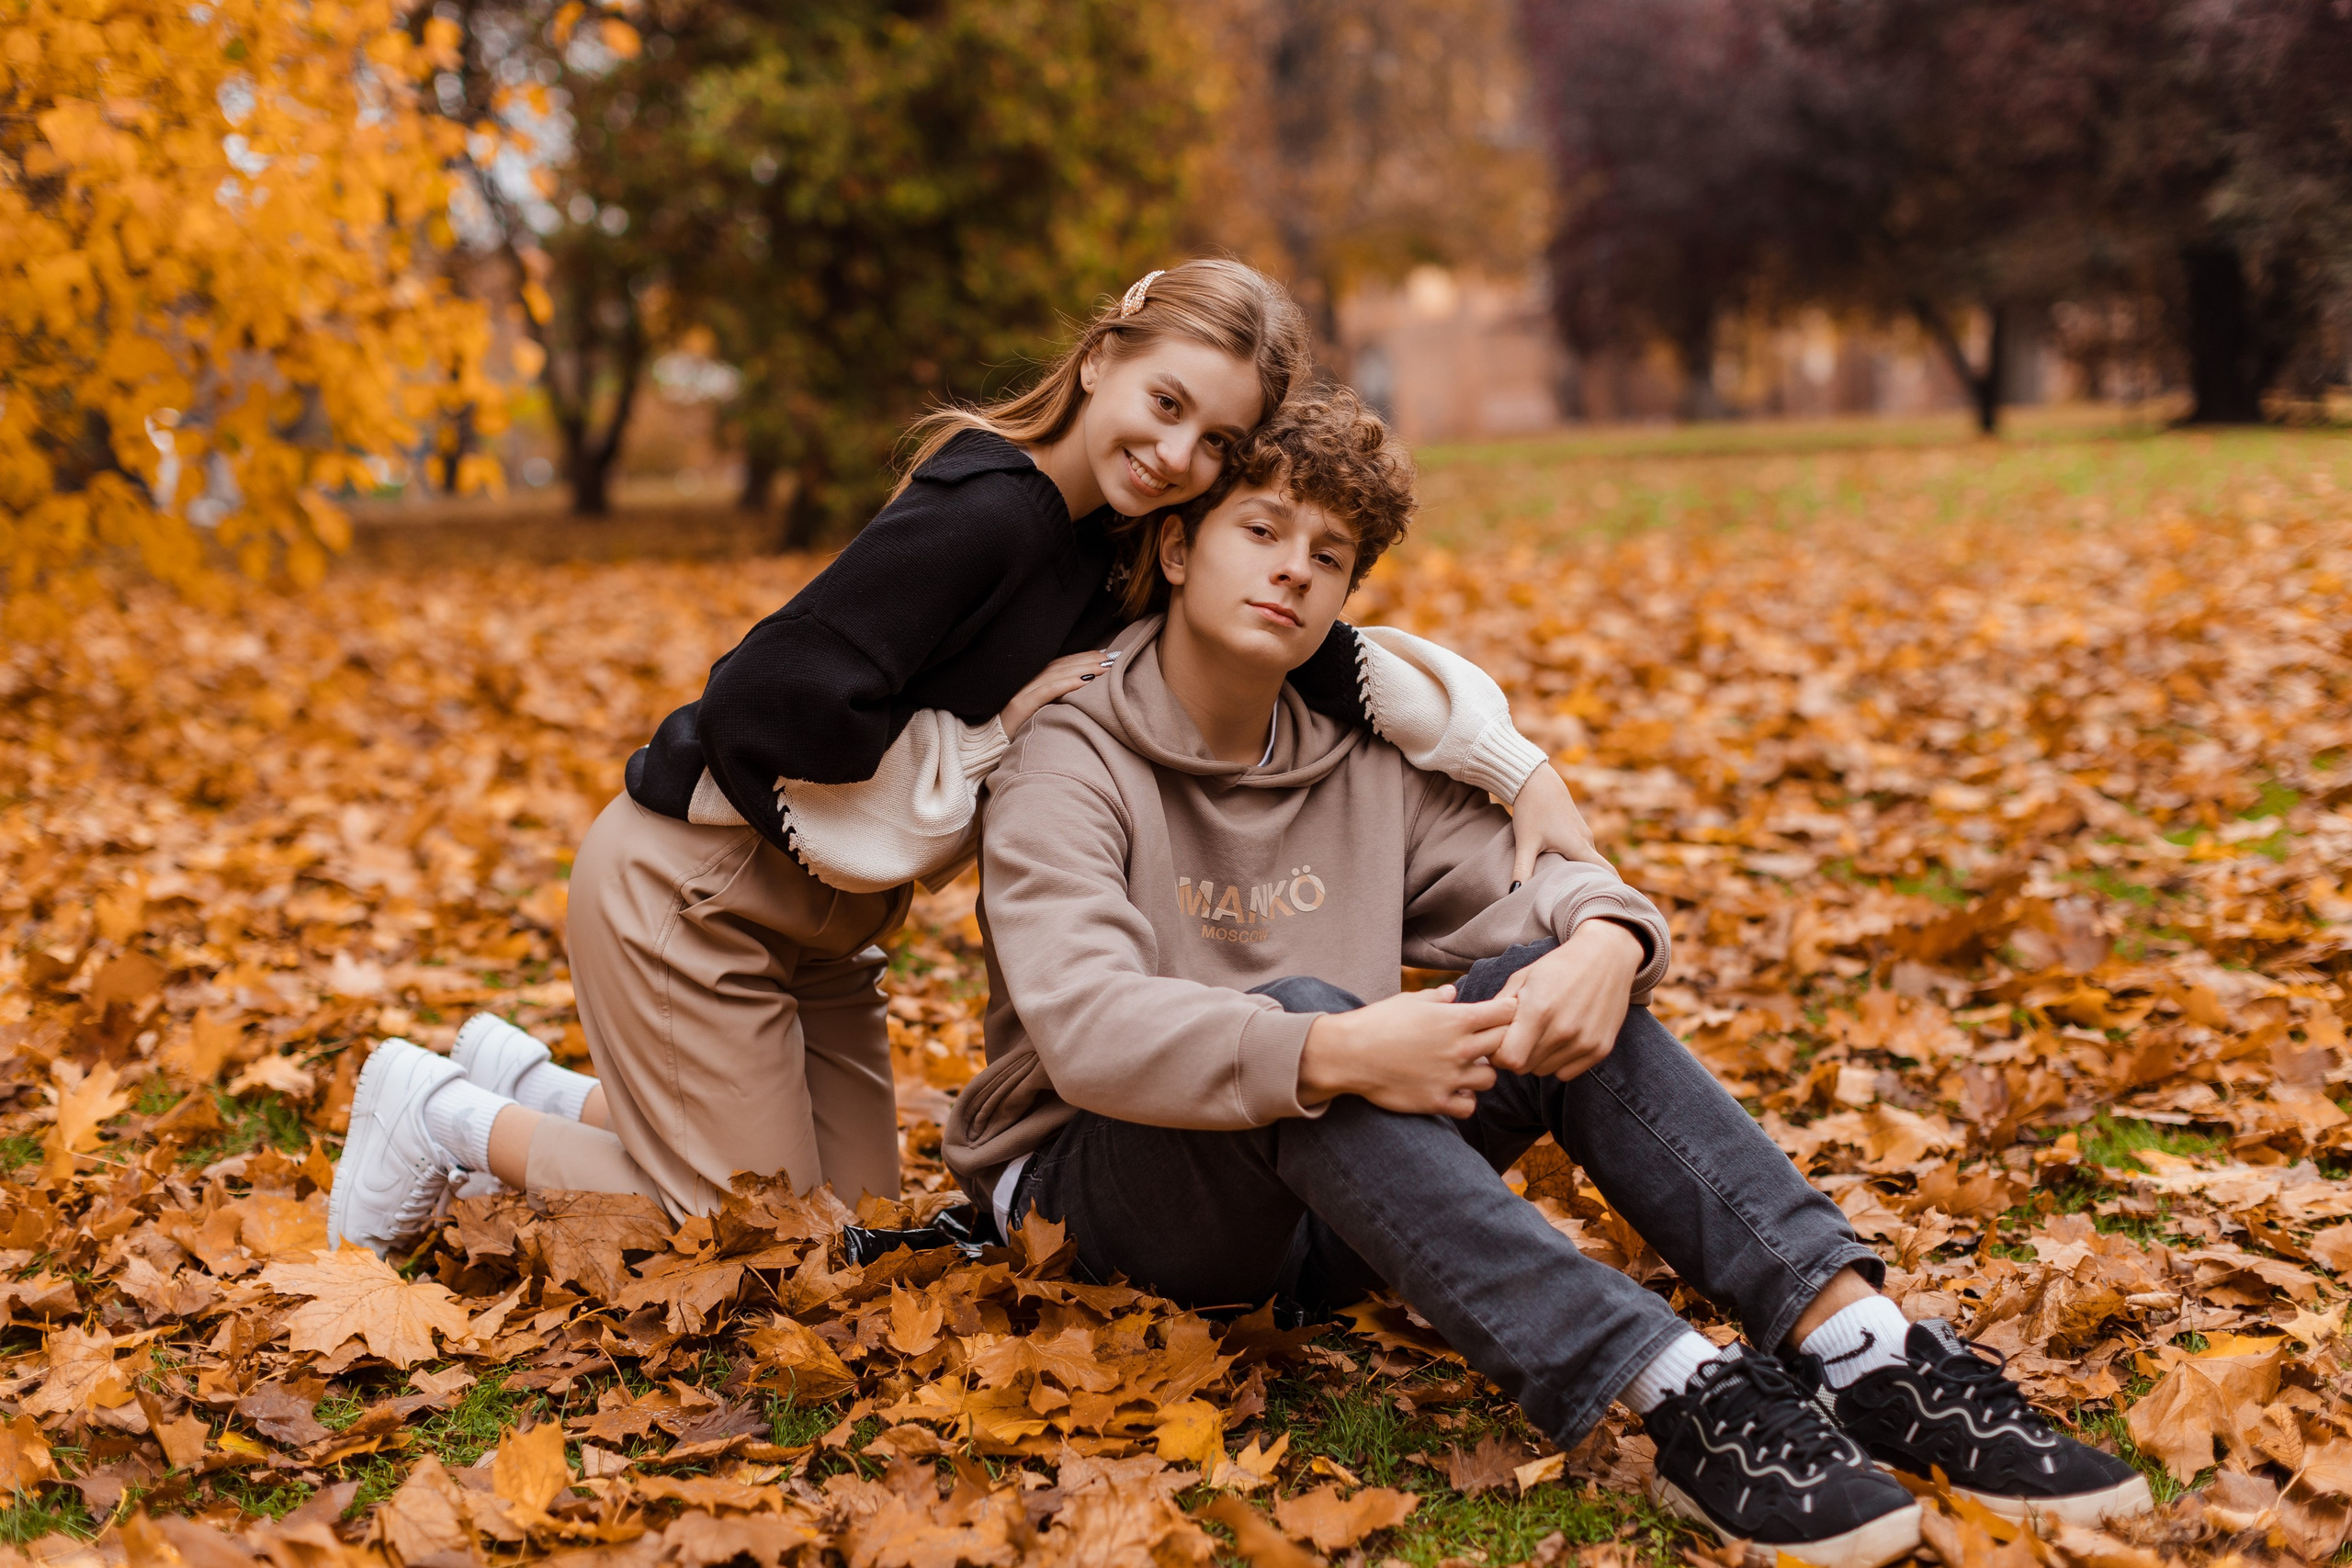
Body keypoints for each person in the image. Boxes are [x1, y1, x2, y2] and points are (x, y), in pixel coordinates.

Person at [943, 391, 2152, 1567]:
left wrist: (1607, 946)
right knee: (1313, 1019)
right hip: (1100, 1203)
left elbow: (1553, 886)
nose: (1293, 572)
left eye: (1331, 553)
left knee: (1546, 975)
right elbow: (1089, 1027)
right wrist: (1337, 1052)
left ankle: (1864, 1352)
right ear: (1177, 543)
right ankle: (1681, 1397)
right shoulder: (1070, 757)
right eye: (1260, 530)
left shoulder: (1361, 766)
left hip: (1327, 1201)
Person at [328, 260, 1599, 1256]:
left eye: (1216, 442)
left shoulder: (1119, 548)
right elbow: (758, 706)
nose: (1177, 457)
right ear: (1103, 360)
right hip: (696, 890)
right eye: (1165, 405)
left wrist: (1514, 765)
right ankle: (442, 1117)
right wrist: (984, 740)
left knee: (849, 1229)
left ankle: (539, 1084)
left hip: (829, 928)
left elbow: (1332, 657)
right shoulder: (989, 511)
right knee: (746, 1240)